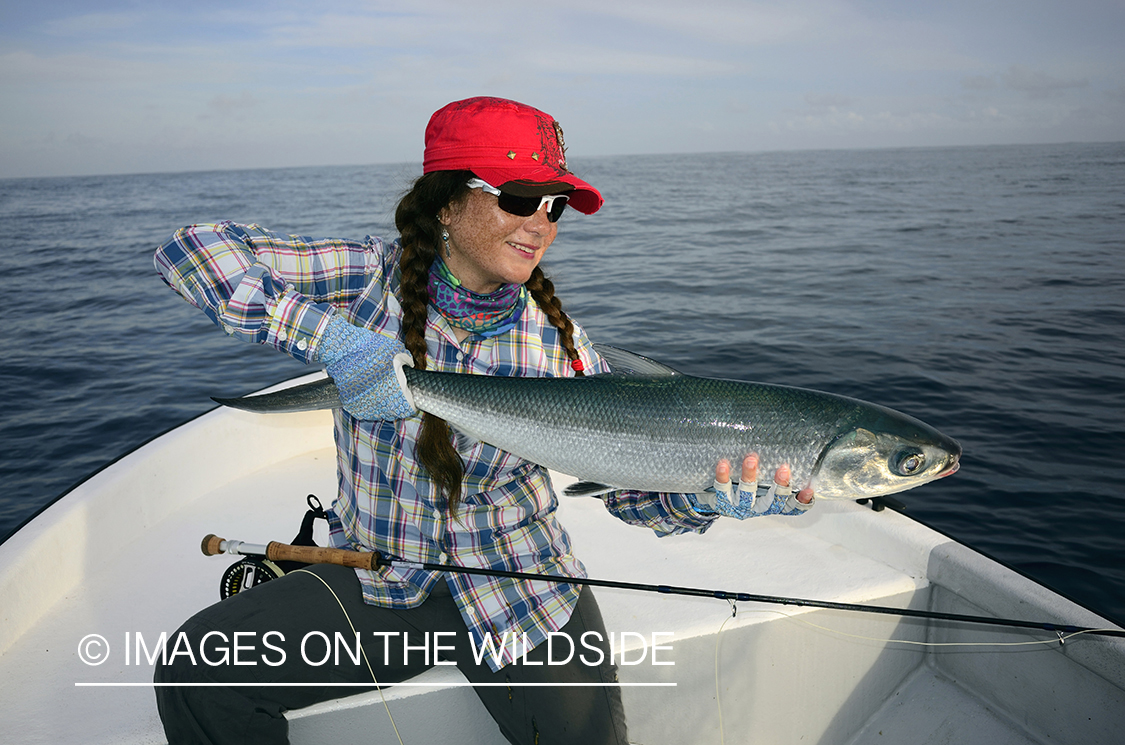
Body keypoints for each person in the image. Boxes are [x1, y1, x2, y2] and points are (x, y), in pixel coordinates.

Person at [152, 96, 814, 745]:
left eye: (554, 207)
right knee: (193, 671)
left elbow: (634, 496)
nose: (541, 223)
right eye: (520, 198)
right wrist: (332, 340)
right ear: (446, 202)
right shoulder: (364, 277)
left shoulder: (562, 347)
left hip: (523, 585)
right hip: (378, 574)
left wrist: (704, 492)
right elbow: (193, 250)